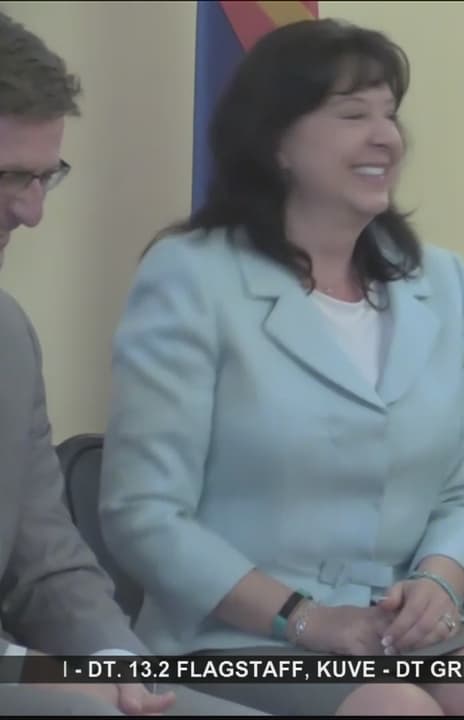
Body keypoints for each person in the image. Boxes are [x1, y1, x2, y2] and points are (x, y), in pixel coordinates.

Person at [96, 18, 464, 717]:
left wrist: (439, 582)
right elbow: (143, 514)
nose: (385, 136)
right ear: (277, 142)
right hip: (235, 634)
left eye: (389, 114)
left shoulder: (440, 282)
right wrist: (304, 618)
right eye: (352, 115)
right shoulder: (192, 277)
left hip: (394, 629)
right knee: (396, 710)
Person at [0, 12, 267, 717]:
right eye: (9, 177)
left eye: (45, 178)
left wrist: (118, 664)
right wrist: (35, 673)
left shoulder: (8, 338)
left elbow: (47, 562)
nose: (32, 212)